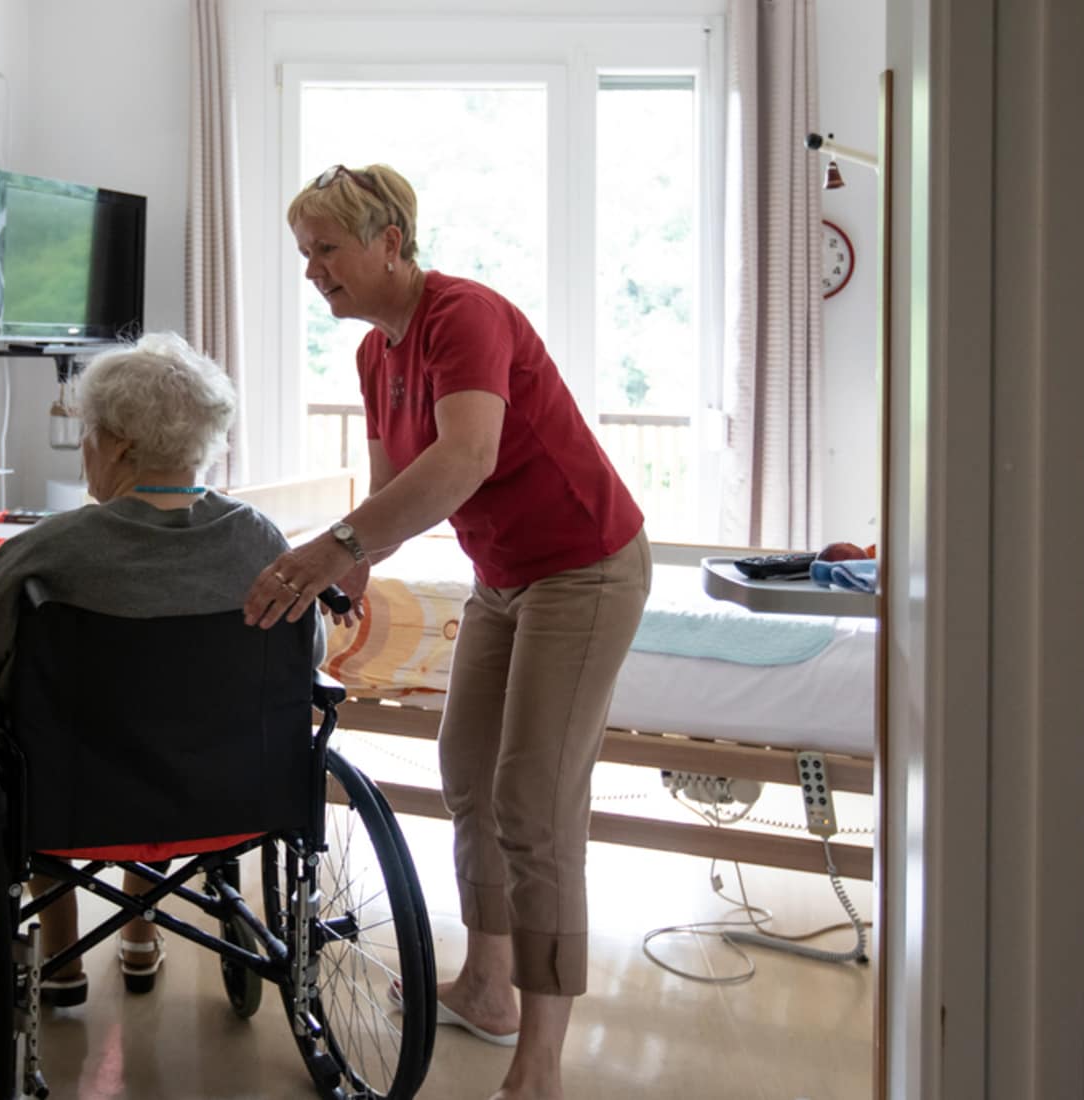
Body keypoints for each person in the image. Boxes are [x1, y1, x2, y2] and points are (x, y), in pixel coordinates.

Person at [244, 163, 651, 1100]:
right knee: (467, 770)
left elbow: (467, 456)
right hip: (504, 577)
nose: (313, 272)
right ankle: (488, 986)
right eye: (304, 255)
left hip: (585, 564)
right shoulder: (372, 354)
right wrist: (353, 569)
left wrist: (328, 545)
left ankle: (541, 1061)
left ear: (391, 241)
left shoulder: (465, 315)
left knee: (534, 801)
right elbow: (396, 488)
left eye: (327, 250)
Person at [0, 331, 320, 1006]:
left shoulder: (51, 549)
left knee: (33, 723)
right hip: (233, 795)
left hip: (72, 802)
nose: (86, 449)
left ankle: (60, 946)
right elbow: (304, 662)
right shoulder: (260, 539)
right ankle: (139, 936)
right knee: (164, 722)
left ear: (118, 445)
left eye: (88, 434)